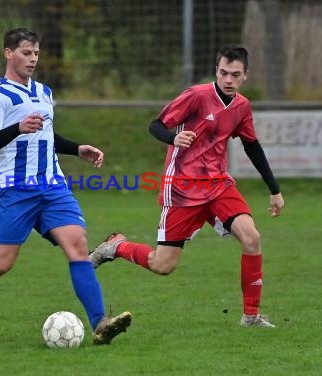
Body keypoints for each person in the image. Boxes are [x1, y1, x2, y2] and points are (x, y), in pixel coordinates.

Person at [0, 28, 131, 344]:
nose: (32, 59)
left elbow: (46, 136)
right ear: (8, 53)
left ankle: (100, 323)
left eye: (36, 53)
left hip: (51, 186)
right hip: (12, 190)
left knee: (77, 246)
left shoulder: (43, 92)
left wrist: (77, 148)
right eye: (26, 53)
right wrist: (17, 127)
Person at [90, 45, 285, 328]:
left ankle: (251, 316)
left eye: (235, 74)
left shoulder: (242, 106)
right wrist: (173, 139)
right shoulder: (196, 96)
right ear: (216, 70)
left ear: (245, 76)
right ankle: (116, 246)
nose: (228, 79)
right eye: (223, 73)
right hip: (182, 187)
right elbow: (155, 125)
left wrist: (274, 189)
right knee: (163, 265)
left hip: (218, 185)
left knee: (251, 238)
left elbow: (252, 146)